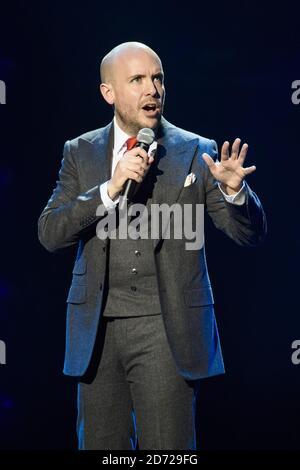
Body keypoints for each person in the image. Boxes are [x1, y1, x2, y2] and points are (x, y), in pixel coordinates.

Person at [38, 41, 267, 450]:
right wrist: (107, 190)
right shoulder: (80, 151)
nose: (152, 90)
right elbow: (51, 232)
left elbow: (247, 234)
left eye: (157, 78)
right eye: (137, 80)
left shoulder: (198, 151)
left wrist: (236, 194)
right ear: (109, 92)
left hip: (168, 329)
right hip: (97, 334)